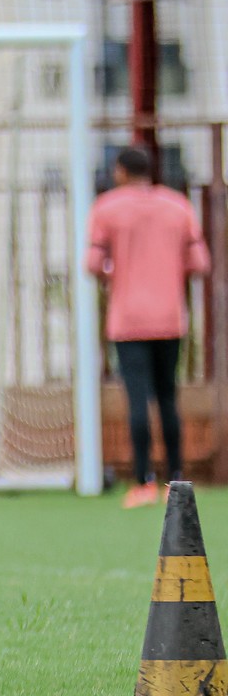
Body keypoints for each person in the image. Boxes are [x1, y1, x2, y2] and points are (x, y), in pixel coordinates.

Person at [88, 144, 211, 509]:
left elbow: (94, 263)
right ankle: (177, 479)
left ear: (122, 171)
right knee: (168, 397)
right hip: (169, 317)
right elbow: (199, 262)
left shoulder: (106, 208)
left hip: (128, 319)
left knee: (137, 398)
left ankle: (143, 481)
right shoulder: (177, 206)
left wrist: (117, 271)